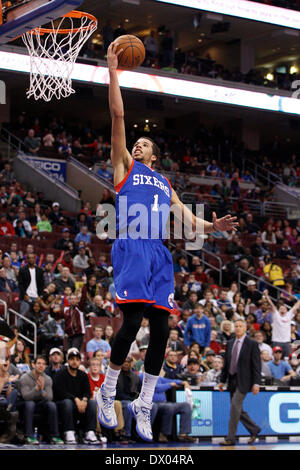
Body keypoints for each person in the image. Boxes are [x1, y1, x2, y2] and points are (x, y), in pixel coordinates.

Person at [95, 41, 238, 443]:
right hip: (132, 244)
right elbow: (117, 113)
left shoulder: (164, 182)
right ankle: (107, 391)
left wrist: (214, 227)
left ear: (154, 156)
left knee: (161, 329)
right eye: (134, 142)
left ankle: (143, 402)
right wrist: (112, 70)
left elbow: (187, 219)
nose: (136, 144)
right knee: (133, 321)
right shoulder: (124, 166)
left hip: (158, 253)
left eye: (143, 144)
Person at [218, 319, 261, 446]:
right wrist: (222, 380)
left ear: (245, 328)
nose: (237, 328)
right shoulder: (230, 343)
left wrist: (256, 383)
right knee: (237, 409)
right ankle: (254, 429)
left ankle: (230, 438)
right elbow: (226, 364)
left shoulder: (252, 343)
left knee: (234, 407)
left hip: (244, 381)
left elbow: (256, 365)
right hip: (231, 379)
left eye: (240, 326)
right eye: (236, 326)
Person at [53, 347, 99, 445]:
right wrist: (76, 399)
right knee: (67, 402)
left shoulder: (83, 375)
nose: (74, 362)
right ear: (68, 361)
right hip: (64, 403)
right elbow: (59, 392)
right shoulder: (60, 374)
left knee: (92, 402)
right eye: (72, 359)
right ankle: (69, 432)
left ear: (80, 362)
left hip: (80, 404)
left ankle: (90, 432)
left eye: (77, 360)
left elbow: (87, 392)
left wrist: (85, 400)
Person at [18, 355, 63, 445]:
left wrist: (42, 391)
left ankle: (54, 435)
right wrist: (37, 389)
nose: (41, 366)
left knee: (51, 405)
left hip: (39, 404)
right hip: (24, 404)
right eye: (38, 363)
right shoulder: (25, 378)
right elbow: (26, 396)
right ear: (33, 365)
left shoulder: (47, 379)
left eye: (43, 364)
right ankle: (29, 435)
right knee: (30, 404)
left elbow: (49, 397)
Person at [264, 290, 300, 357]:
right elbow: (272, 305)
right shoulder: (276, 315)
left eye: (284, 308)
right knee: (276, 358)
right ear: (278, 310)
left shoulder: (289, 315)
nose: (282, 309)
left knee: (286, 359)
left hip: (286, 342)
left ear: (287, 311)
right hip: (276, 341)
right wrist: (266, 296)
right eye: (281, 308)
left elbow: (296, 307)